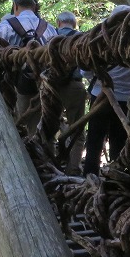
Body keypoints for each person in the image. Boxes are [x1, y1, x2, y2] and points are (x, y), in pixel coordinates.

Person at [0, 0, 58, 132]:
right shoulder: (50, 28)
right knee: (44, 129)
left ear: (15, 6)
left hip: (19, 87)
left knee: (20, 128)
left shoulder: (6, 26)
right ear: (34, 6)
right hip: (47, 86)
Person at [83, 5, 130, 175]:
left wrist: (99, 82)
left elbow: (85, 70)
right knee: (119, 143)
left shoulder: (100, 42)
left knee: (94, 141)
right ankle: (116, 179)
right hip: (126, 101)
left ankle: (89, 177)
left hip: (100, 97)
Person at [55, 11, 88, 175]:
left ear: (59, 23)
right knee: (78, 130)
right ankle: (73, 168)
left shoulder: (51, 35)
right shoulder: (82, 39)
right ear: (74, 24)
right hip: (75, 87)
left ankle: (49, 165)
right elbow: (87, 67)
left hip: (51, 87)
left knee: (49, 126)